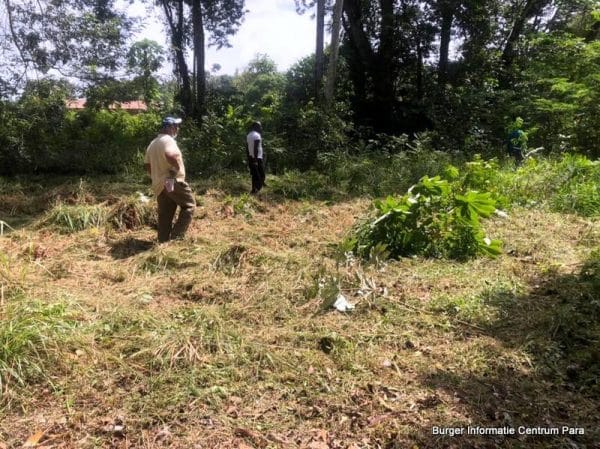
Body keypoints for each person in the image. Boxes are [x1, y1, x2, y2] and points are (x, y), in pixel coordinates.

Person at [144, 116, 196, 242]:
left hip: (160, 185)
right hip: (170, 182)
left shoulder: (153, 143)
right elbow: (171, 155)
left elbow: (147, 165)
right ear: (170, 127)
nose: (177, 129)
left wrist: (156, 177)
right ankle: (176, 238)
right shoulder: (168, 140)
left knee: (165, 216)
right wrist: (175, 169)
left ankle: (163, 242)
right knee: (189, 206)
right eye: (176, 126)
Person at [246, 121, 265, 194]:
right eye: (260, 126)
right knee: (262, 175)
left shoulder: (249, 135)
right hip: (257, 158)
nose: (261, 128)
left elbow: (247, 148)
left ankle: (253, 190)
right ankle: (256, 189)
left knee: (254, 175)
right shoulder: (257, 135)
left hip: (251, 157)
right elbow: (255, 148)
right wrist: (256, 160)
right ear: (256, 127)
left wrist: (249, 158)